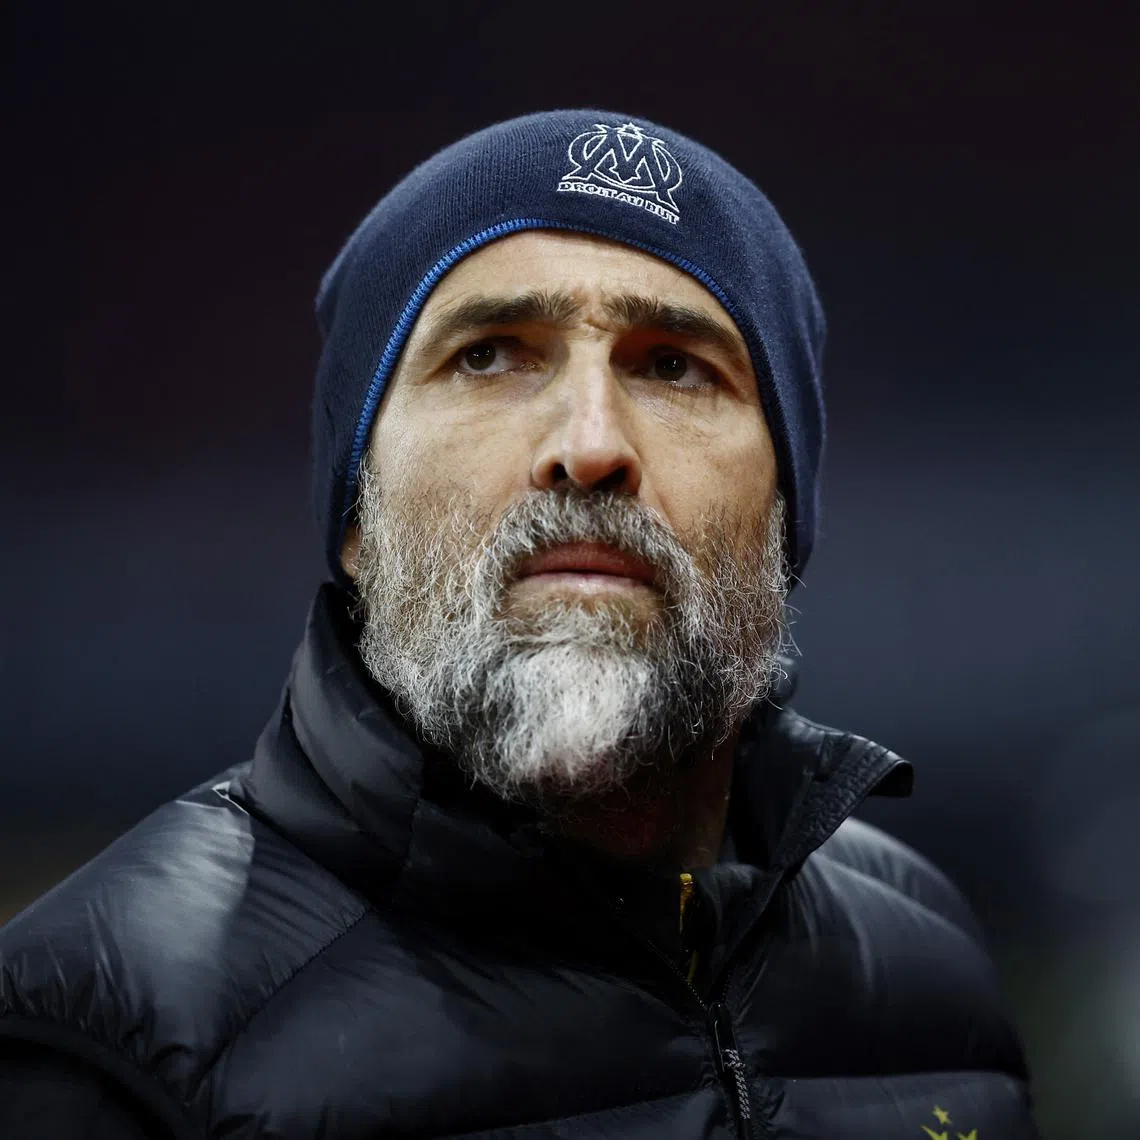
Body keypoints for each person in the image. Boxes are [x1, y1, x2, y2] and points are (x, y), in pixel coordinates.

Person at [0, 110, 1039, 1139]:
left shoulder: (928, 968)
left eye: (675, 366)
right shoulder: (109, 1037)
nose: (590, 447)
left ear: (786, 516)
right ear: (356, 513)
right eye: (492, 355)